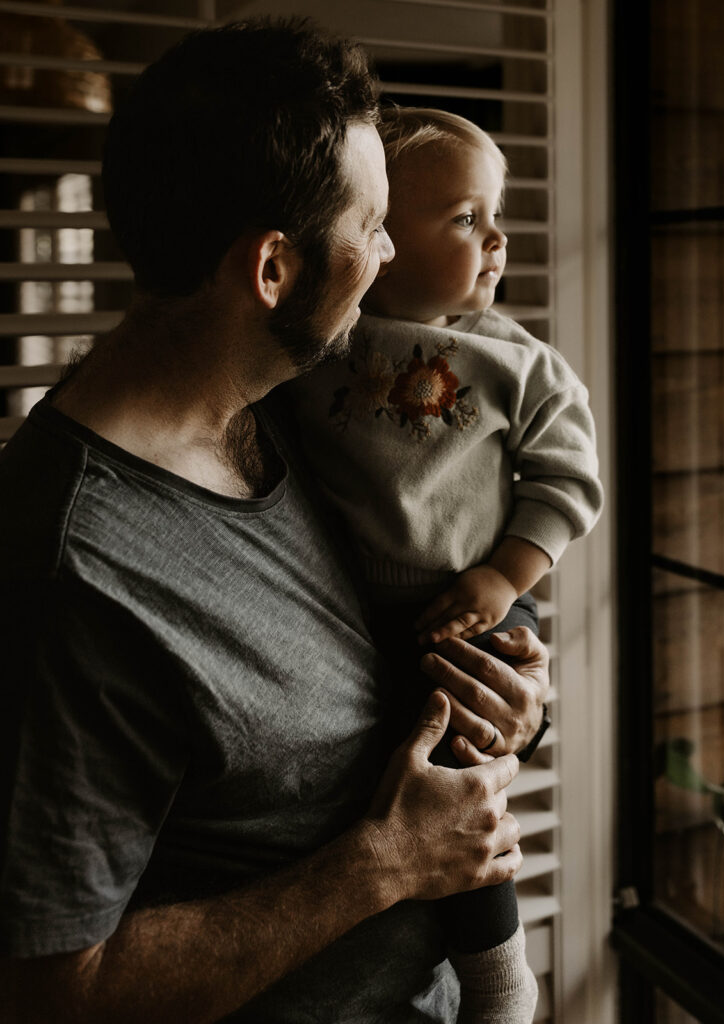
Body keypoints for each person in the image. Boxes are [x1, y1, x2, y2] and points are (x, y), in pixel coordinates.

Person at [0, 19, 551, 1024]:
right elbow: (47, 992)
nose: (388, 258)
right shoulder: (71, 570)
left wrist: (510, 697)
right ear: (271, 270)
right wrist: (384, 864)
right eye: (371, 227)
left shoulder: (311, 413)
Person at [288, 106, 604, 1023]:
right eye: (466, 219)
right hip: (355, 609)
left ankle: (498, 966)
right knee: (385, 774)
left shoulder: (520, 364)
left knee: (461, 764)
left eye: (494, 214)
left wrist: (507, 577)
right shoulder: (324, 351)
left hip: (476, 596)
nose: (496, 238)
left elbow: (570, 483)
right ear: (380, 235)